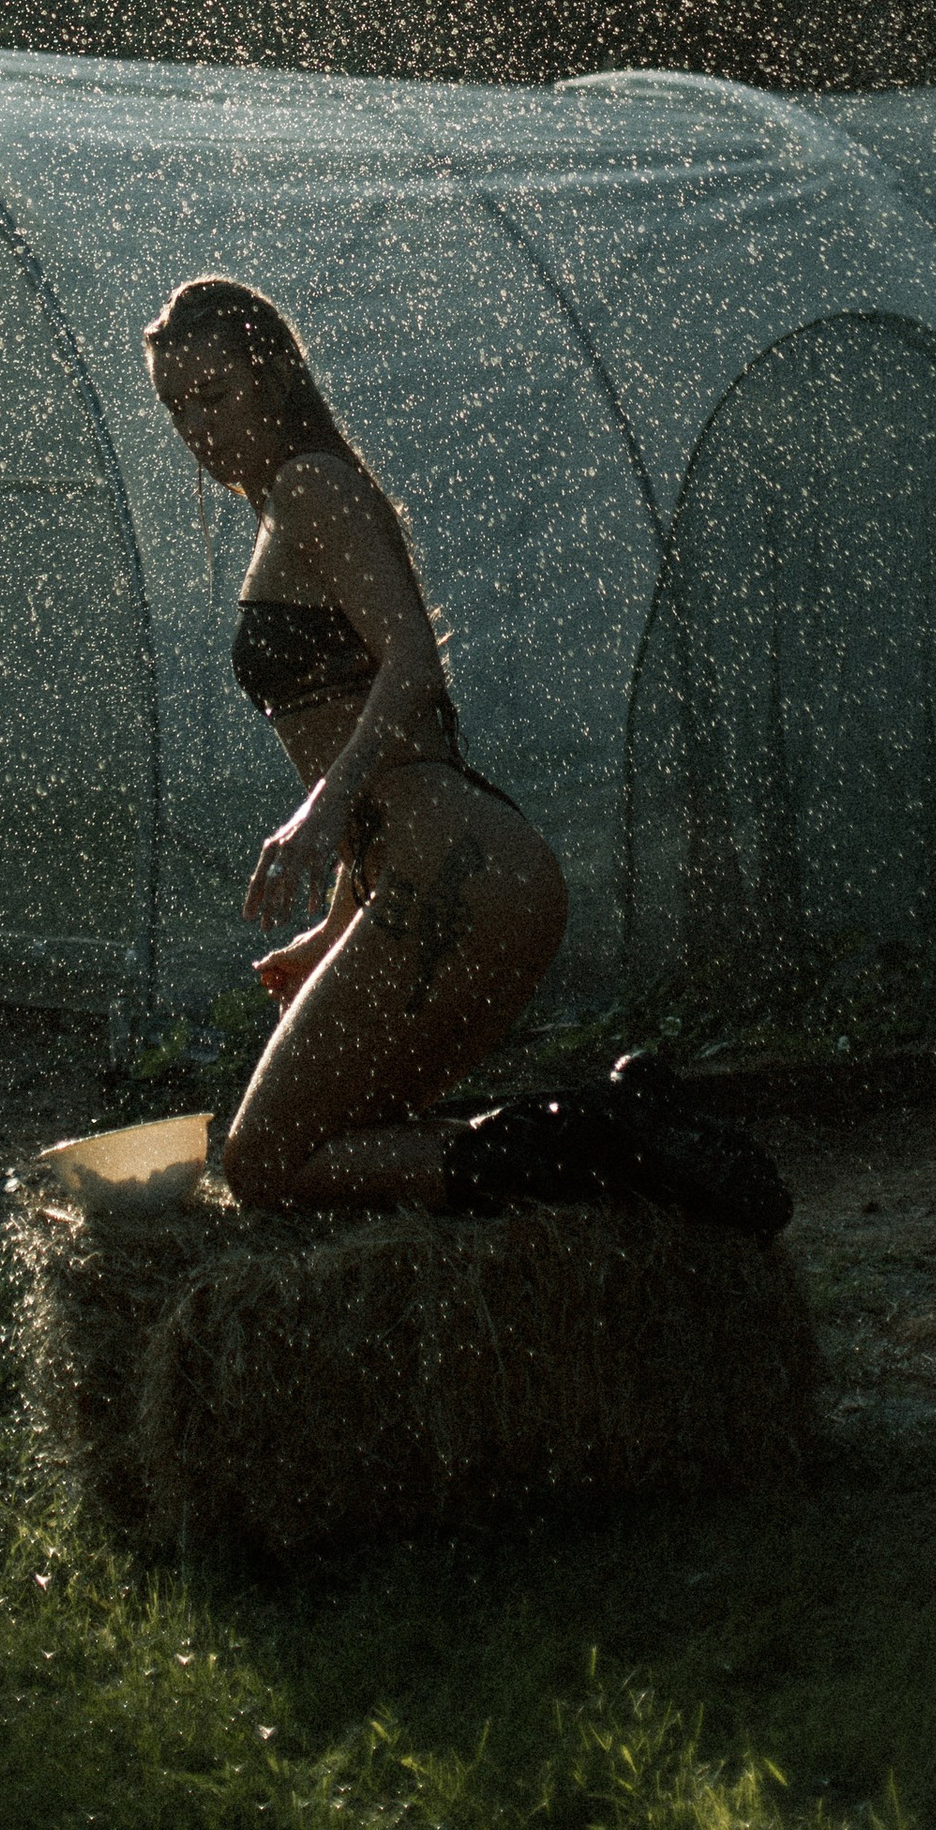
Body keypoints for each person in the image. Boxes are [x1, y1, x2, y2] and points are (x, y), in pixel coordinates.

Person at [142, 273, 793, 1238]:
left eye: (215, 395)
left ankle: (607, 1132)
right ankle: (616, 1138)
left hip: (459, 872)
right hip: (449, 870)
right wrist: (332, 929)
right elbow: (400, 765)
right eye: (176, 407)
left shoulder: (312, 483)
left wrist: (318, 814)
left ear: (273, 376)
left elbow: (412, 664)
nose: (198, 428)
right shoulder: (287, 499)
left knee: (262, 1160)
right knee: (335, 1133)